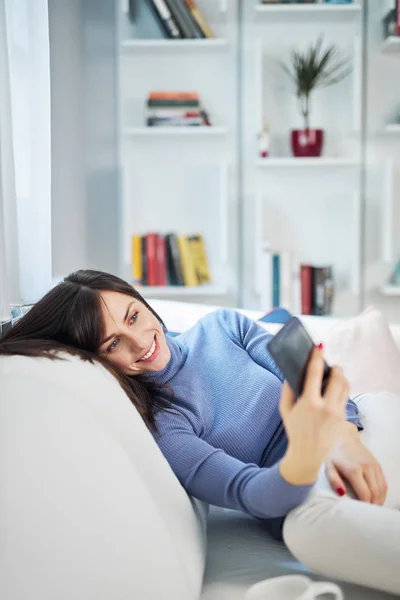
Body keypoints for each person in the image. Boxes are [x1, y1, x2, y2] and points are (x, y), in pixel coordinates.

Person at [1, 269, 399, 595]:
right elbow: (253, 495)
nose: (139, 342)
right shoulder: (165, 423)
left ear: (140, 299)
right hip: (309, 485)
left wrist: (343, 438)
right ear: (98, 360)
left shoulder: (223, 327)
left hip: (366, 424)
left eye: (133, 316)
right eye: (112, 344)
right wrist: (307, 454)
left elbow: (320, 381)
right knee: (305, 529)